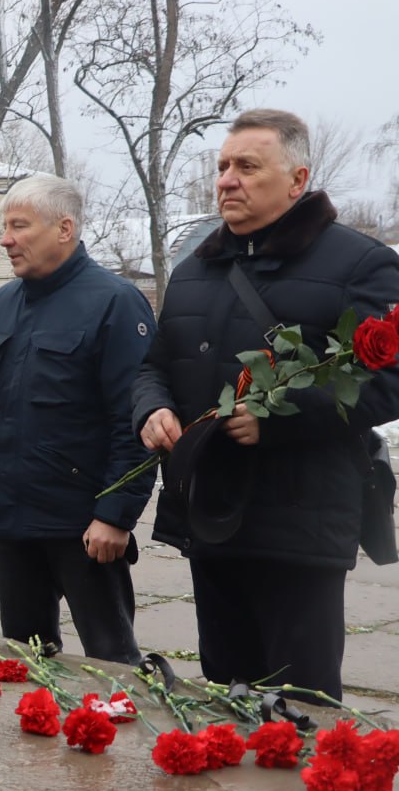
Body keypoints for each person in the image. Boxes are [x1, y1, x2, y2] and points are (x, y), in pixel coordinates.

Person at [132, 109, 399, 700]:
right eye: (223, 166)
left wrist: (282, 420)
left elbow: (389, 376)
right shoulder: (196, 267)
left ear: (297, 179)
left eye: (247, 166)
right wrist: (151, 409)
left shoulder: (361, 263)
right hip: (211, 514)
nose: (226, 179)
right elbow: (155, 364)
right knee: (226, 694)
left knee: (300, 705)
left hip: (299, 523)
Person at [0, 174, 156, 665]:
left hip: (84, 526)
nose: (5, 239)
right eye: (5, 227)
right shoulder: (1, 304)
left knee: (113, 664)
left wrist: (115, 514)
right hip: (11, 518)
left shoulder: (114, 302)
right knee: (24, 664)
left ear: (64, 228)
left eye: (19, 226)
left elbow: (134, 420)